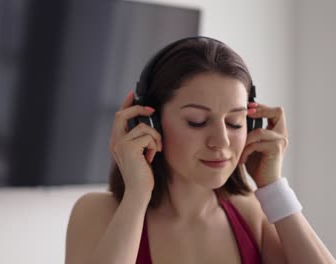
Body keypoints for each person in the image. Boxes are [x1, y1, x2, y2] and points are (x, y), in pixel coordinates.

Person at [65, 37, 335, 264]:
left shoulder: (253, 215)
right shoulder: (98, 213)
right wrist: (137, 196)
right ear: (149, 123)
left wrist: (273, 187)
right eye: (197, 121)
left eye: (234, 122)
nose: (221, 141)